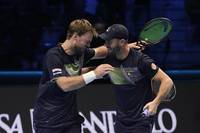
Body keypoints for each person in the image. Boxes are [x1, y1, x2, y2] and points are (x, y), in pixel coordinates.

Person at [33, 19, 140, 133]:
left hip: (70, 120)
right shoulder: (54, 55)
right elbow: (63, 84)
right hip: (48, 121)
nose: (88, 45)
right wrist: (94, 73)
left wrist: (126, 46)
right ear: (75, 36)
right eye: (87, 41)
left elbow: (101, 51)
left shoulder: (80, 52)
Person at [99, 24, 174, 133]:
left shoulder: (141, 60)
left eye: (109, 40)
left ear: (122, 42)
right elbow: (95, 66)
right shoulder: (110, 59)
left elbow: (167, 81)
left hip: (141, 121)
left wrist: (155, 102)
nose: (106, 44)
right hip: (120, 122)